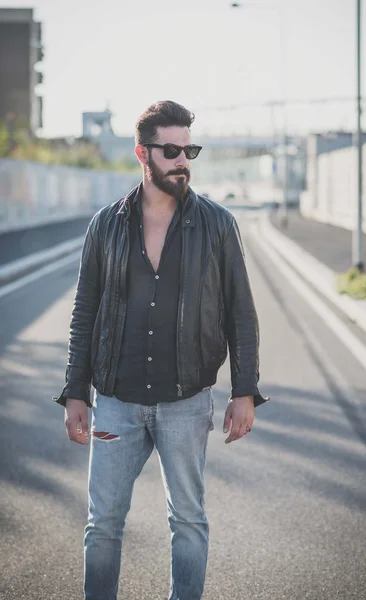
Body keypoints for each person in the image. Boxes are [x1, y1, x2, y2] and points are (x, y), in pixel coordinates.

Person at [54, 100, 268, 600]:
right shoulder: (106, 225)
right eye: (170, 150)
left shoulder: (217, 224)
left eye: (188, 149)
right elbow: (85, 311)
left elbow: (242, 312)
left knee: (188, 520)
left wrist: (245, 391)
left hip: (186, 401)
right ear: (141, 154)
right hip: (116, 402)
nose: (182, 160)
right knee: (102, 524)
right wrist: (75, 391)